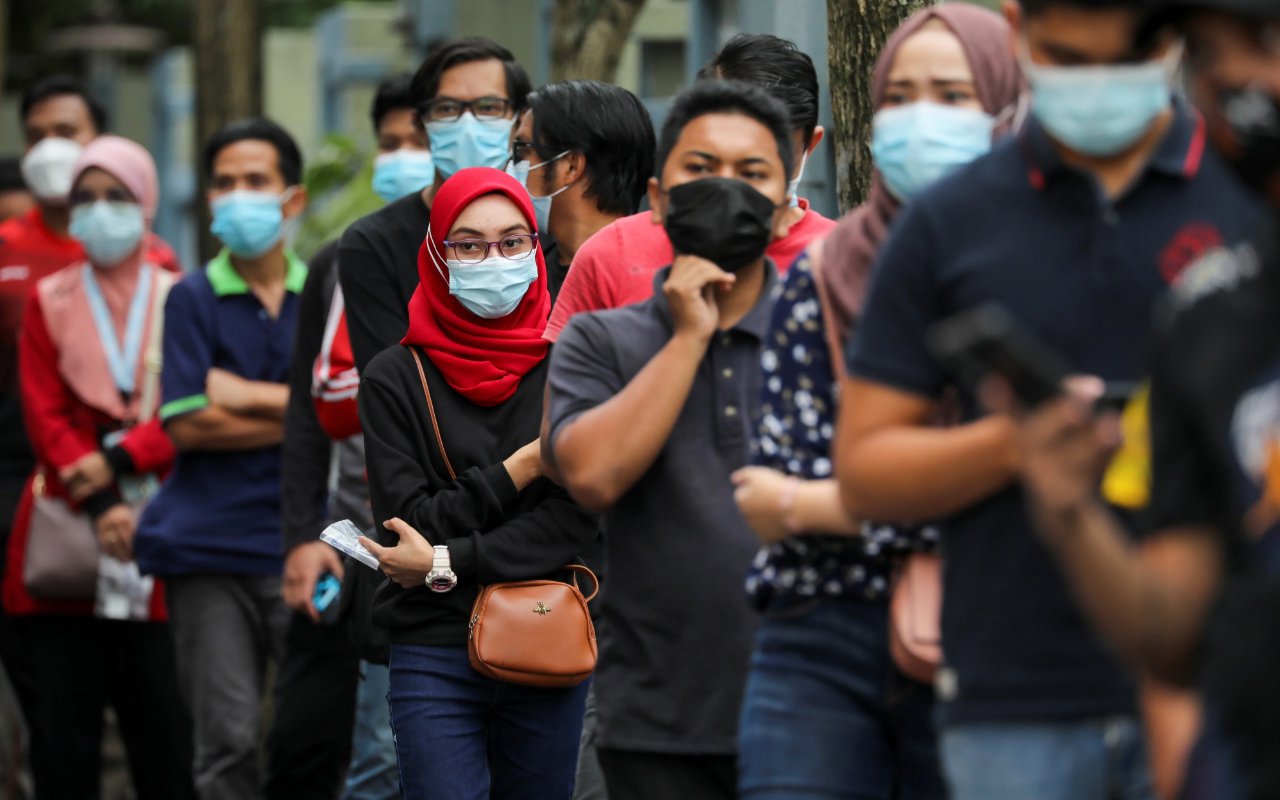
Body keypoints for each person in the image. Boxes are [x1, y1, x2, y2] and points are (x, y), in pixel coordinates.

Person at [832, 0, 1267, 795]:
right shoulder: (947, 221)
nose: (1095, 86)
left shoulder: (1248, 193)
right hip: (1014, 694)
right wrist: (1017, 447)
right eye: (1068, 58)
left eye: (1124, 59)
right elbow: (864, 472)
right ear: (1019, 29)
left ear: (1175, 41)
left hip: (1228, 689)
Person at [728, 6, 1022, 799]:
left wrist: (820, 501)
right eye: (901, 94)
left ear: (1009, 106)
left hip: (999, 636)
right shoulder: (823, 275)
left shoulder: (1052, 270)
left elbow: (1062, 472)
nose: (922, 116)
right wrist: (987, 467)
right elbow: (769, 486)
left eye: (953, 95)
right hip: (818, 640)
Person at [1005, 0, 1280, 797]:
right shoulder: (1205, 319)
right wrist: (1069, 511)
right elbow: (1169, 630)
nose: (1231, 76)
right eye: (1205, 52)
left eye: (1259, 40)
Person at [545, 80, 795, 800]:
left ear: (783, 211)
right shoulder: (601, 339)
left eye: (752, 175)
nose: (725, 189)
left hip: (810, 714)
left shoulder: (826, 331)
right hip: (654, 725)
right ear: (657, 198)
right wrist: (689, 338)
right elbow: (590, 475)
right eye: (700, 168)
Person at [354, 166, 596, 800]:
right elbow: (407, 518)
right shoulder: (393, 378)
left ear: (537, 249)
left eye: (513, 241)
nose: (495, 259)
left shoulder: (571, 361)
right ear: (436, 253)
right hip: (434, 647)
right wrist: (526, 467)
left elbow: (573, 521)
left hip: (547, 632)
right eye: (469, 244)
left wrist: (441, 560)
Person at [0, 135, 194, 798]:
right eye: (85, 197)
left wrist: (120, 462)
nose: (99, 210)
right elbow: (42, 409)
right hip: (71, 531)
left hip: (159, 532)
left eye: (117, 195)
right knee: (64, 734)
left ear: (146, 203)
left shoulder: (181, 296)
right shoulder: (48, 299)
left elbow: (186, 408)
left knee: (165, 729)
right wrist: (105, 503)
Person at [134, 118, 308, 800]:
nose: (239, 196)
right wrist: (300, 412)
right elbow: (188, 428)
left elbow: (343, 416)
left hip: (304, 546)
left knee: (311, 736)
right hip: (206, 551)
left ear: (291, 198)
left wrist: (247, 396)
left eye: (256, 181)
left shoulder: (325, 289)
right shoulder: (191, 297)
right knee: (227, 743)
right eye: (225, 183)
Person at [267, 73, 421, 800]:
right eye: (391, 143)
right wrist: (304, 535)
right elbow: (307, 415)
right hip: (343, 537)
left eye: (420, 140)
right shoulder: (341, 260)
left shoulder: (498, 259)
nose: (404, 156)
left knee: (393, 754)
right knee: (306, 740)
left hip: (433, 546)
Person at [543, 33, 835, 343]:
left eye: (758, 167)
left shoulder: (848, 261)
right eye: (708, 161)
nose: (733, 184)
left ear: (810, 145)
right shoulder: (610, 254)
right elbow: (568, 388)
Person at [340, 38, 531, 373]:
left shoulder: (545, 230)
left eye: (489, 107)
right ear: (421, 126)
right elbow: (394, 384)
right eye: (447, 109)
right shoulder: (372, 244)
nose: (468, 125)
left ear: (519, 121)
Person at [507, 80, 655, 298]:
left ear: (571, 166)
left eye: (523, 150)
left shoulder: (659, 283)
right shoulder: (521, 279)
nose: (512, 164)